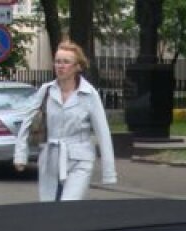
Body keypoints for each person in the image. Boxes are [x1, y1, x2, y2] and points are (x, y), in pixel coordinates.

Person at [14, 40, 117, 201]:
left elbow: (103, 133)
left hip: (80, 160)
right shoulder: (46, 90)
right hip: (51, 158)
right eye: (57, 61)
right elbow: (27, 122)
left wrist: (108, 172)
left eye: (66, 62)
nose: (60, 66)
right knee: (49, 209)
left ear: (77, 67)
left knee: (69, 205)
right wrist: (20, 155)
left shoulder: (89, 94)